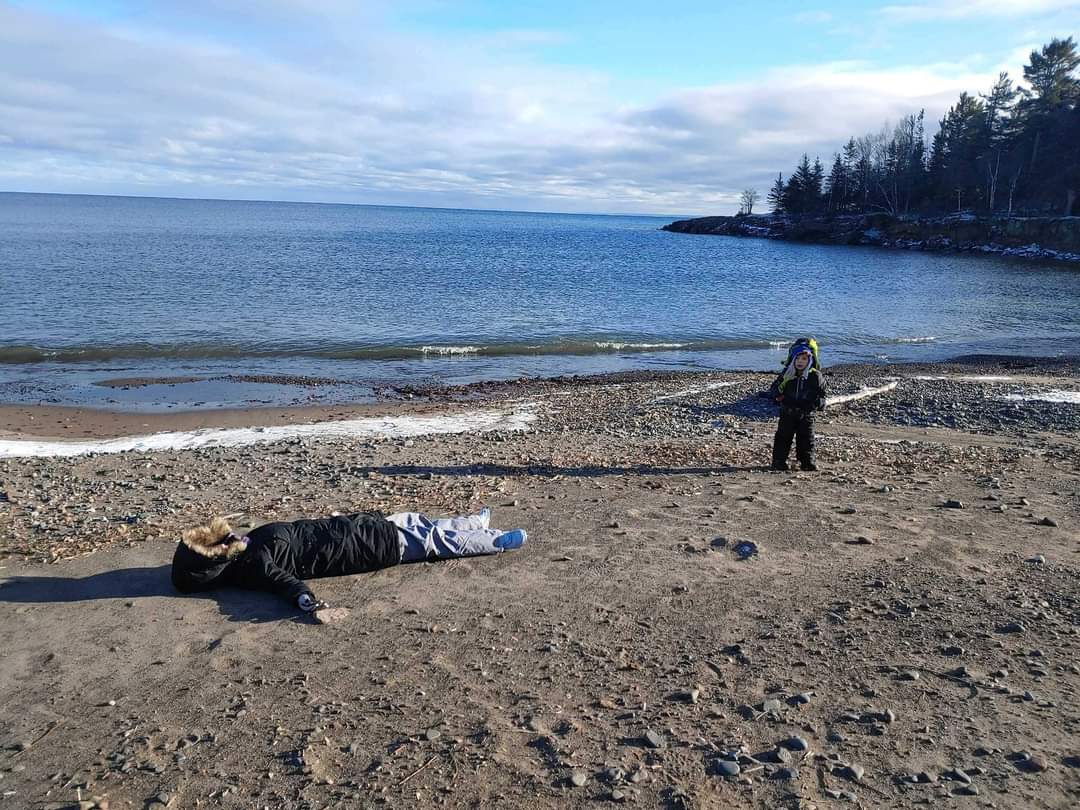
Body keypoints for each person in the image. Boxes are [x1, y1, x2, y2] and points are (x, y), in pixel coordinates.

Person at [171, 507, 526, 613]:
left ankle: (473, 524)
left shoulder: (248, 548)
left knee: (418, 523)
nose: (236, 535)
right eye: (227, 540)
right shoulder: (253, 564)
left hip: (353, 530)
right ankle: (495, 541)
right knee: (432, 540)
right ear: (217, 559)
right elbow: (284, 583)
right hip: (363, 549)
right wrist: (305, 600)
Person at [769, 344, 826, 471]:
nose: (800, 362)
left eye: (804, 359)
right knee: (783, 437)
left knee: (807, 438)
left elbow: (822, 393)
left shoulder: (815, 376)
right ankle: (778, 461)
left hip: (806, 413)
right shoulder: (787, 374)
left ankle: (807, 462)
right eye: (798, 359)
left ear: (810, 360)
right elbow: (774, 390)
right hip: (787, 412)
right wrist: (777, 396)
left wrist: (819, 404)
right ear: (793, 359)